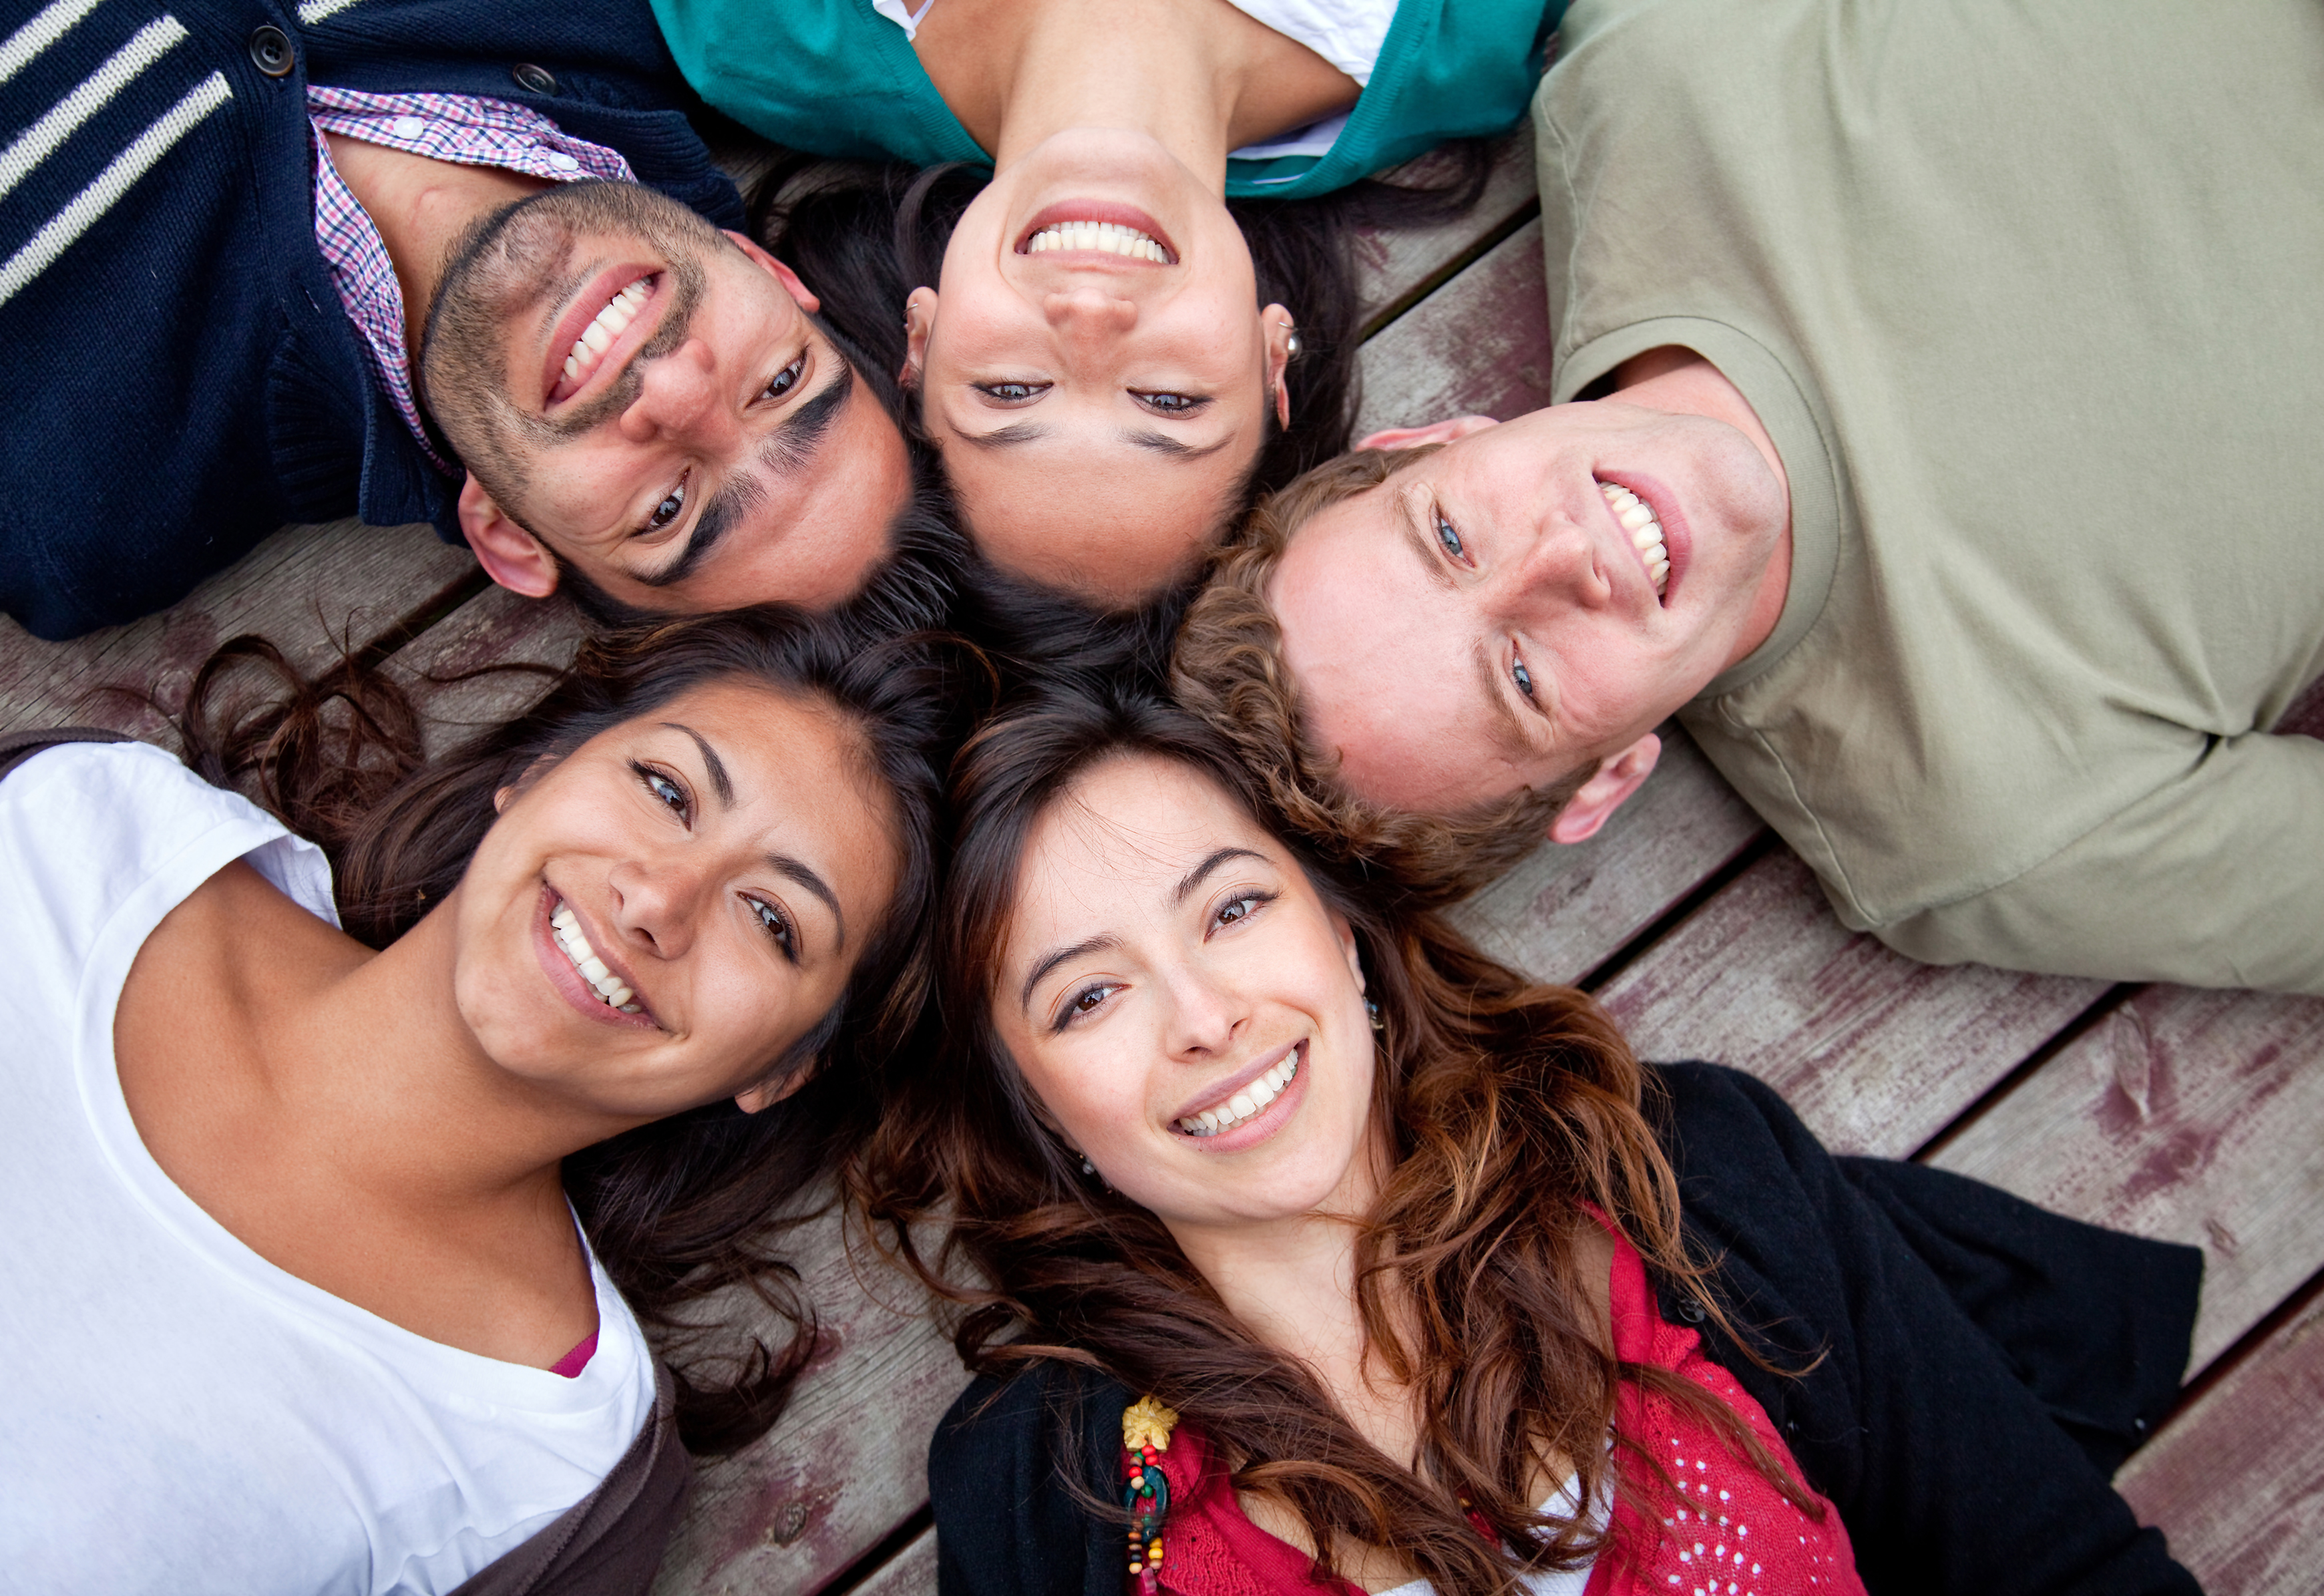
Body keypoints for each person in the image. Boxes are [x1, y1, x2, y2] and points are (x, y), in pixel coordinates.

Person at [862, 681, 2202, 1596]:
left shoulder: (1687, 1179)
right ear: (1040, 1112)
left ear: (1340, 932)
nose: (1206, 1016)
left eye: (1231, 909)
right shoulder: (1053, 1495)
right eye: (1088, 996)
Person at [1170, 0, 2324, 995]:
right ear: (1608, 777)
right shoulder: (1976, 828)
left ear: (1435, 439)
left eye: (1454, 534)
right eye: (1522, 676)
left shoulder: (1663, 65)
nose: (1564, 557)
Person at [0, 606, 958, 1592]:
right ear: (538, 771)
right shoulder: (81, 827)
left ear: (781, 1068)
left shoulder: (555, 1471)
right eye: (667, 789)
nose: (656, 901)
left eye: (772, 918)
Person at [0, 0, 916, 640]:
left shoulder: (79, 495)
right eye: (784, 381)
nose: (671, 386)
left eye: (668, 507)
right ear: (765, 267)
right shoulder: (664, 17)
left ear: (512, 538)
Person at [650, 0, 1551, 609]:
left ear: (921, 337)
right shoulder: (1465, 41)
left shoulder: (757, 33)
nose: (1089, 320)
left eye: (1008, 390)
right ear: (1271, 354)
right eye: (1167, 400)